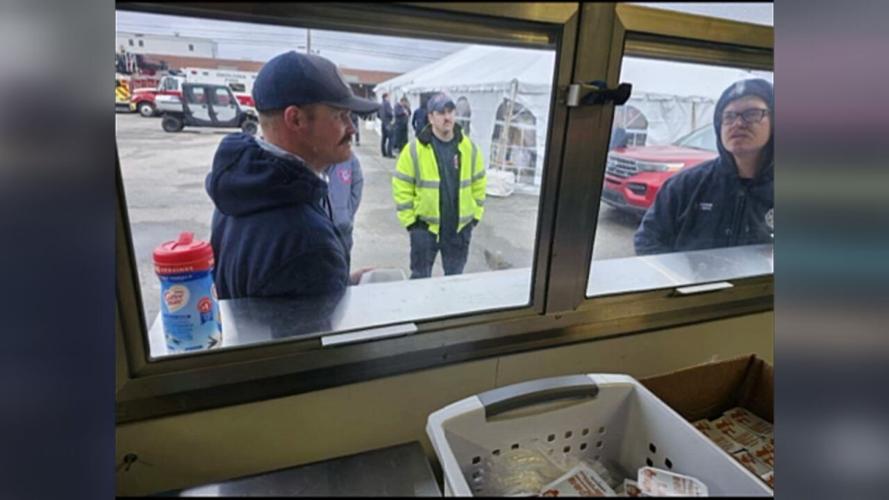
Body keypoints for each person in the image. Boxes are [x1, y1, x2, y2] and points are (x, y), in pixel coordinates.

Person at [205, 50, 379, 299]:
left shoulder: (240, 189)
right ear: (295, 119)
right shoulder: (308, 241)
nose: (351, 128)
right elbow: (317, 334)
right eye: (340, 115)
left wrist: (340, 285)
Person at [634, 78, 774, 256]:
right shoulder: (685, 185)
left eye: (752, 113)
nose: (738, 123)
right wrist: (677, 279)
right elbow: (648, 240)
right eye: (729, 116)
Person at [391, 92, 487, 279]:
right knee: (420, 278)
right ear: (430, 117)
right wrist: (411, 222)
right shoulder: (414, 149)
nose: (448, 117)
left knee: (454, 280)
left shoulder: (468, 147)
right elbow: (401, 185)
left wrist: (475, 216)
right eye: (441, 113)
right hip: (425, 228)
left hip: (459, 228)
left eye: (451, 112)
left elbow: (479, 181)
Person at [324, 152, 364, 256]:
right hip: (318, 230)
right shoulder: (312, 157)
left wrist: (346, 211)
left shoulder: (349, 159)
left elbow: (357, 184)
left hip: (343, 228)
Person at [378, 92, 394, 158]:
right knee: (391, 138)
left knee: (383, 138)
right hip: (387, 122)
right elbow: (390, 112)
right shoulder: (387, 104)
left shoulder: (381, 104)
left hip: (383, 122)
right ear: (386, 97)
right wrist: (392, 116)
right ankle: (389, 153)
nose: (389, 98)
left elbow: (378, 115)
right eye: (388, 97)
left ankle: (383, 152)